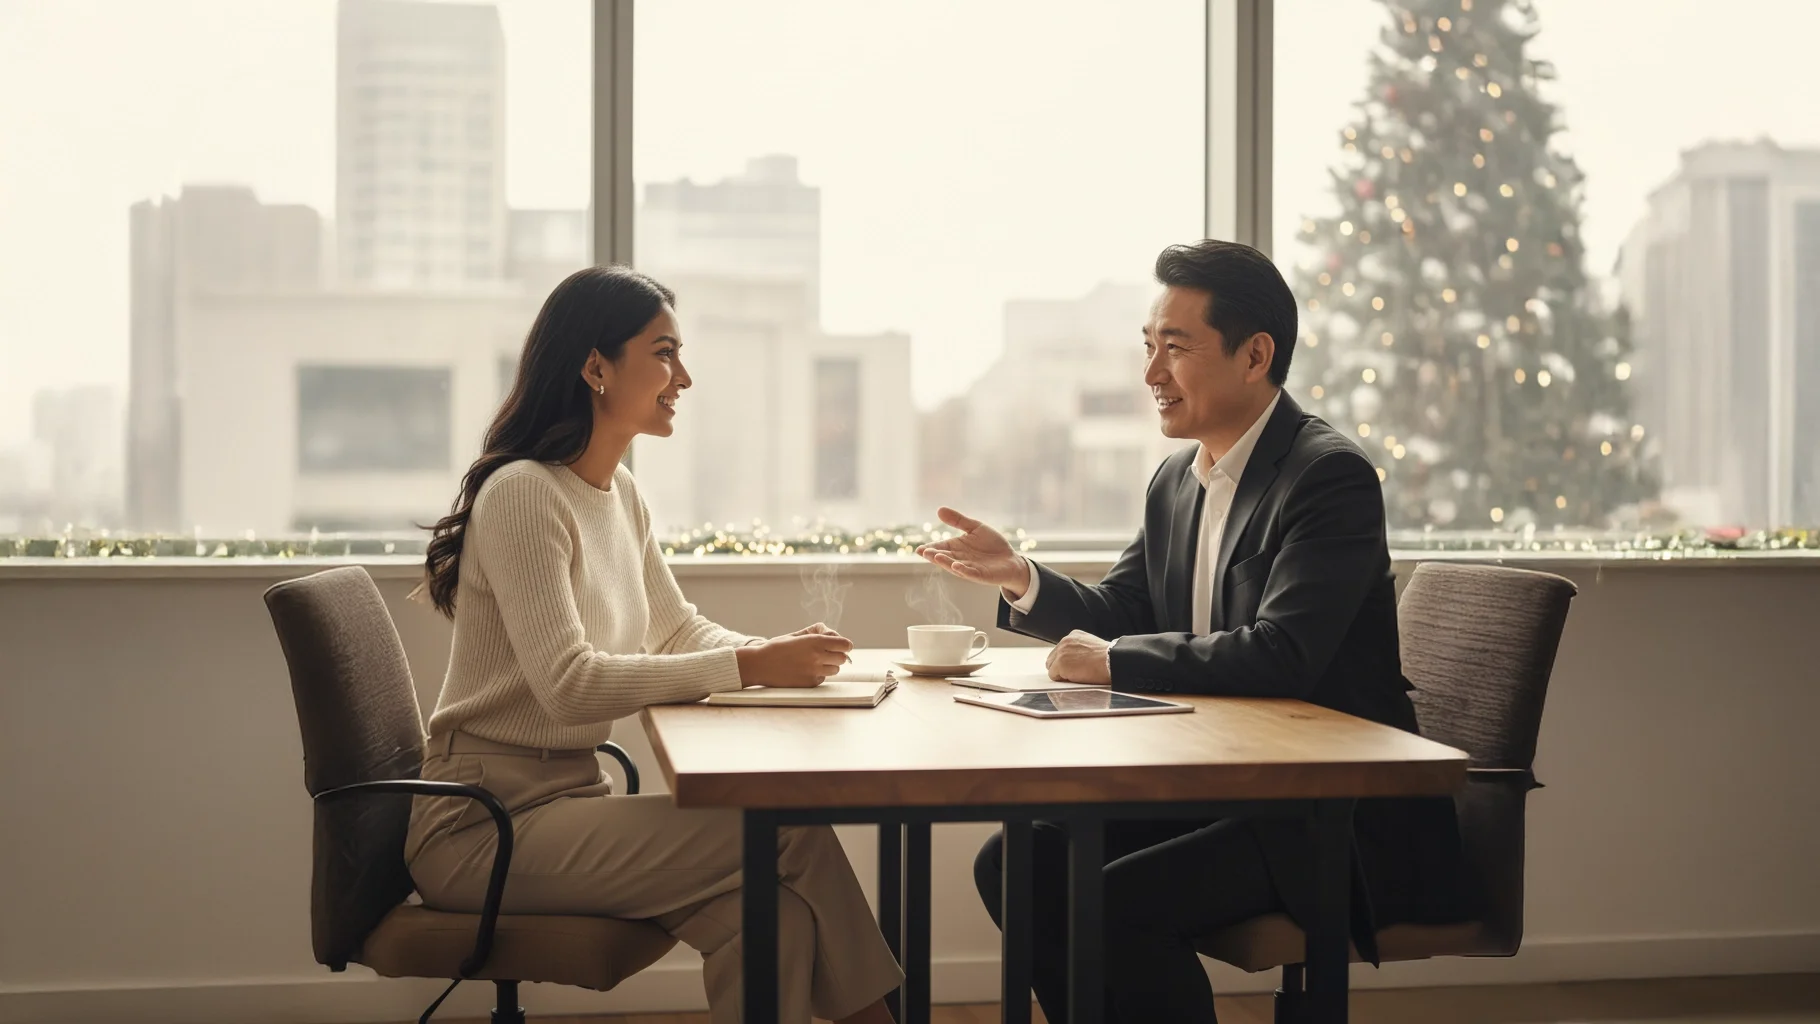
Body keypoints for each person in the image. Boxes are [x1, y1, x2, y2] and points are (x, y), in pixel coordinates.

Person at [917, 240, 1468, 1022]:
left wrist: (1113, 663)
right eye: (1148, 345)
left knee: (1117, 904)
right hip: (1221, 789)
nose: (1151, 373)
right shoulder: (1178, 478)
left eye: (1174, 348)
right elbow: (1124, 612)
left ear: (1255, 356)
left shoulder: (1327, 478)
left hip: (1332, 815)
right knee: (1018, 861)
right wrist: (1020, 577)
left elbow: (1283, 655)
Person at [410, 266, 902, 1024]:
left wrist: (774, 656)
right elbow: (568, 684)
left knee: (772, 919)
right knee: (790, 826)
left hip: (569, 801)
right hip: (484, 827)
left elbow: (675, 628)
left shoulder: (620, 493)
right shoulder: (523, 494)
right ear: (595, 367)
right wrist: (749, 666)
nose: (684, 377)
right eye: (664, 353)